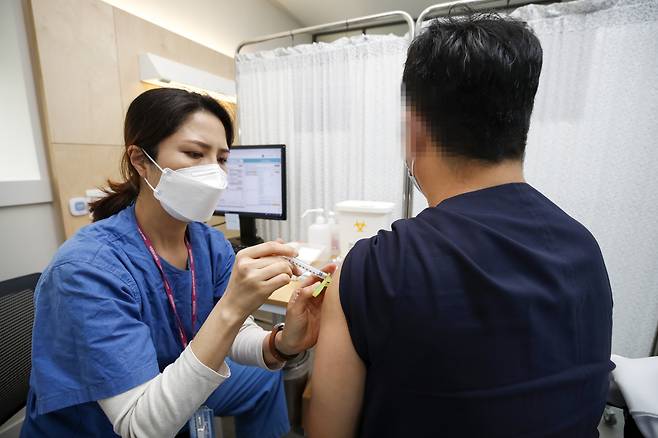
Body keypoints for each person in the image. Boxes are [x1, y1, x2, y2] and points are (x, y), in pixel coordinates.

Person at [309, 13, 614, 438]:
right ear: (520, 127)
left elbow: (327, 430)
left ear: (414, 133)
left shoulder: (371, 269)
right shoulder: (585, 250)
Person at [21, 88, 335, 438]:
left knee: (263, 378)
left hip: (171, 374)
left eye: (221, 159)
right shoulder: (87, 270)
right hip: (101, 423)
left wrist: (280, 343)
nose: (214, 173)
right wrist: (234, 305)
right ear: (141, 160)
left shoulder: (207, 242)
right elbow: (139, 426)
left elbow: (233, 332)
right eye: (194, 154)